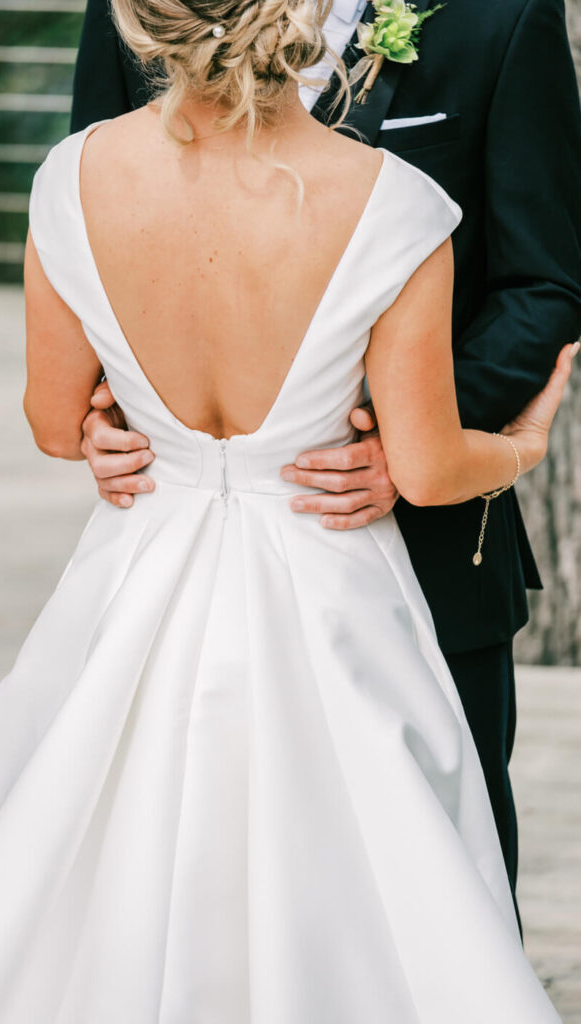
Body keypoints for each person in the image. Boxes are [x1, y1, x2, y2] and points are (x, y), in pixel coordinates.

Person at [0, 0, 576, 1018]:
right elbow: (443, 464)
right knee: (404, 910)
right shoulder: (394, 205)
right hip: (345, 594)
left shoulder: (68, 180)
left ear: (147, 26)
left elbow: (47, 413)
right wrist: (518, 442)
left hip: (155, 578)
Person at [71, 0, 581, 919]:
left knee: (442, 886)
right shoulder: (144, 6)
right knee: (185, 877)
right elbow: (91, 235)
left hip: (426, 554)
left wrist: (409, 439)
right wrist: (98, 411)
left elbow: (544, 279)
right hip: (177, 554)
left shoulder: (502, 18)